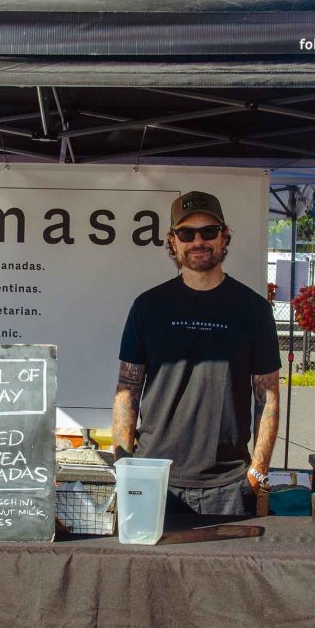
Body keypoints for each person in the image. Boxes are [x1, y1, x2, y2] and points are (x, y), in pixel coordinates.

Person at [112, 190, 281, 515]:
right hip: (154, 477)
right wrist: (125, 466)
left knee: (228, 569)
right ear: (172, 241)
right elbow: (127, 390)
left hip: (229, 484)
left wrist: (257, 472)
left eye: (208, 231)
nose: (198, 241)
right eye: (187, 233)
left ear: (224, 235)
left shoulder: (254, 310)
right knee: (149, 568)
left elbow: (268, 395)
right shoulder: (148, 307)